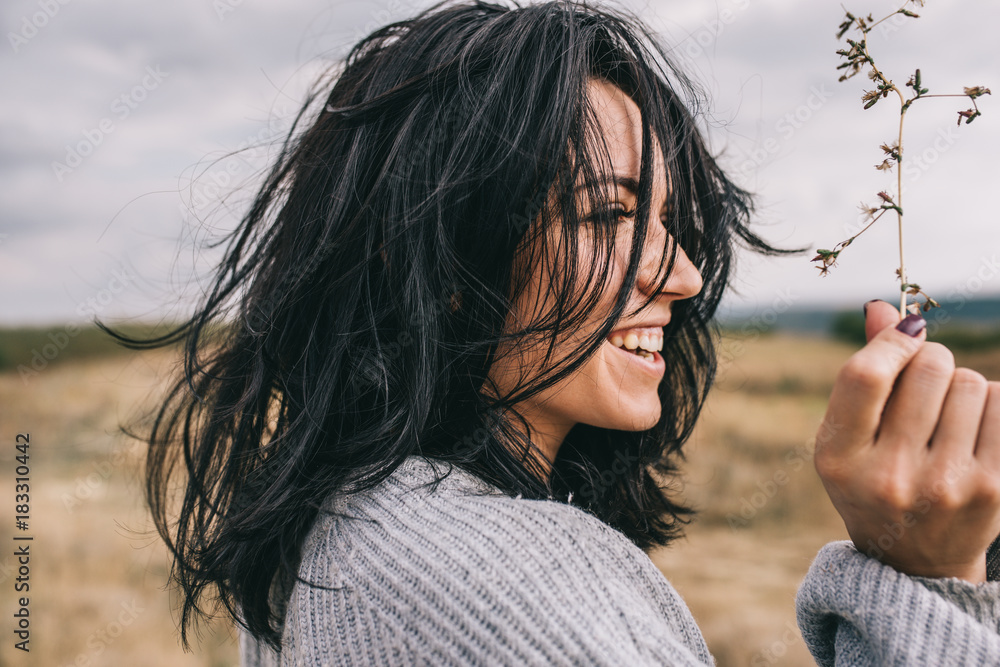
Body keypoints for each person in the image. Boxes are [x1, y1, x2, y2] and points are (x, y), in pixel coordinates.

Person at [101, 0, 1000, 664]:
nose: (683, 277)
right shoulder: (481, 584)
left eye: (674, 227)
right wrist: (919, 575)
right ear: (438, 255)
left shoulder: (356, 530)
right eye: (609, 218)